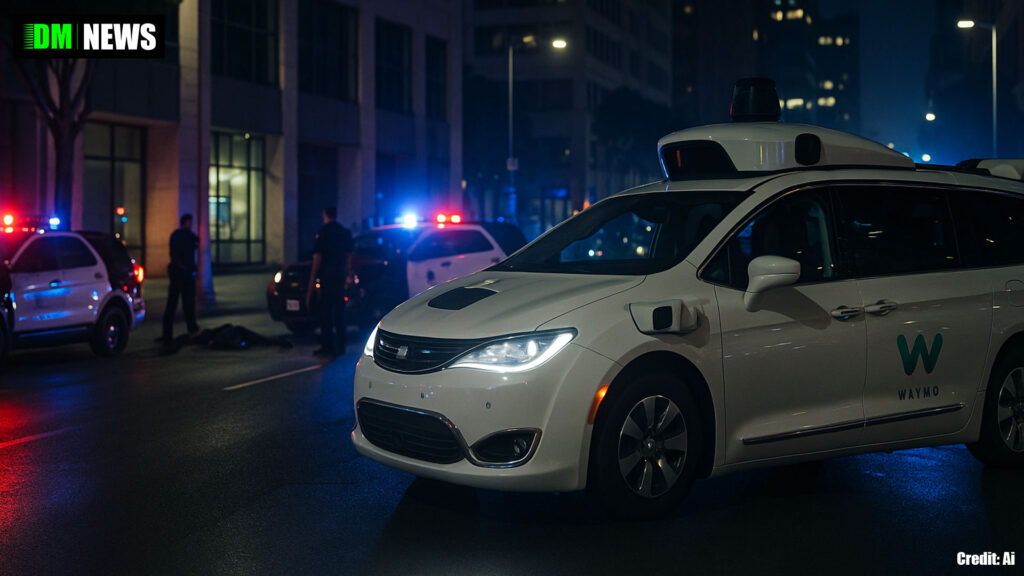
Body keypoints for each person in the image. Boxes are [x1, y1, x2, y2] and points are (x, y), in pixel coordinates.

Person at [307, 206, 352, 356]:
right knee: (339, 313)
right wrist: (348, 275)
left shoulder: (323, 232)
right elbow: (349, 257)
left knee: (325, 312)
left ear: (325, 214)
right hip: (339, 277)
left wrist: (312, 281)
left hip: (327, 278)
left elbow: (317, 258)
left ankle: (327, 346)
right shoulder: (344, 232)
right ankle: (341, 346)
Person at [162, 213, 200, 347]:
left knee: (171, 304)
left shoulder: (175, 235)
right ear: (187, 222)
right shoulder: (189, 236)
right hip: (186, 274)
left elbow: (173, 254)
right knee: (187, 304)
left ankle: (167, 334)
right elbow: (197, 243)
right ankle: (193, 330)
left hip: (176, 272)